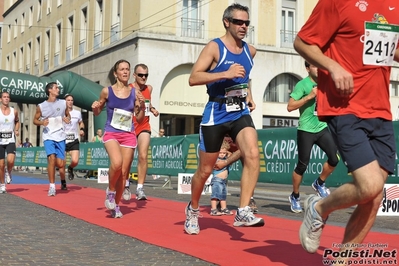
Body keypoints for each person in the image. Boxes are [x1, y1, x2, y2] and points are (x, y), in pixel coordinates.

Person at [293, 0, 399, 261]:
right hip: (345, 106)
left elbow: (392, 48)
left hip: (380, 109)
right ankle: (318, 207)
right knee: (370, 185)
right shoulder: (337, 1)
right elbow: (302, 42)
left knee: (373, 198)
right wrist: (333, 66)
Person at [184, 3, 264, 235]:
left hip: (239, 111)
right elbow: (193, 77)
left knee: (252, 153)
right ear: (226, 22)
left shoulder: (251, 51)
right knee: (205, 170)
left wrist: (248, 95)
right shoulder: (214, 47)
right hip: (216, 111)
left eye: (247, 22)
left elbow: (245, 77)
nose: (243, 26)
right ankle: (193, 208)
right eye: (239, 22)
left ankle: (243, 211)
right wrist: (224, 73)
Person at [91, 59, 145, 218]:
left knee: (123, 174)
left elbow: (140, 119)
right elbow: (97, 112)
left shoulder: (135, 92)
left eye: (127, 69)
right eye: (122, 69)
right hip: (111, 133)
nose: (125, 72)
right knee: (116, 163)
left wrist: (140, 106)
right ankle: (110, 191)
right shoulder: (107, 91)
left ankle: (116, 205)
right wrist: (96, 107)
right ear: (115, 73)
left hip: (128, 134)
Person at [286, 61, 339, 213]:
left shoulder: (326, 83)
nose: (318, 69)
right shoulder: (302, 85)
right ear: (308, 69)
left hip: (322, 128)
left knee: (334, 159)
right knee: (302, 165)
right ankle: (295, 196)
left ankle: (319, 182)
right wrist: (309, 96)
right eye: (315, 66)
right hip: (306, 130)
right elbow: (290, 107)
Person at [33, 82, 71, 196]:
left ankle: (56, 173)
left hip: (60, 136)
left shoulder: (63, 103)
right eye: (56, 87)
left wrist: (67, 119)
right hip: (48, 135)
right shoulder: (41, 106)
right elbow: (34, 120)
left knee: (60, 163)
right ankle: (52, 186)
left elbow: (68, 115)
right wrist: (41, 122)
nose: (58, 89)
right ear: (50, 90)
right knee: (51, 159)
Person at [129, 63, 159, 201]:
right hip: (129, 126)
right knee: (127, 159)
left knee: (142, 156)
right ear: (134, 75)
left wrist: (152, 109)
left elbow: (148, 103)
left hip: (144, 125)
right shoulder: (128, 89)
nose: (143, 77)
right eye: (140, 75)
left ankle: (140, 188)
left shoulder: (149, 88)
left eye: (146, 75)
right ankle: (125, 183)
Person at [0, 92, 20, 192]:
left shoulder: (14, 111)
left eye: (8, 97)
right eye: (4, 97)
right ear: (0, 99)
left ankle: (9, 171)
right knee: (1, 164)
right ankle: (2, 185)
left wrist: (16, 130)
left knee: (11, 161)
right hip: (0, 140)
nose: (6, 99)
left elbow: (17, 121)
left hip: (10, 139)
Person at [63, 94, 85, 180]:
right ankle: (63, 182)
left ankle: (70, 168)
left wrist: (82, 129)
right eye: (68, 100)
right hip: (62, 139)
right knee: (62, 163)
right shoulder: (60, 112)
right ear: (65, 101)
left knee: (75, 161)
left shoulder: (77, 113)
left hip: (74, 139)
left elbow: (81, 122)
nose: (70, 102)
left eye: (71, 100)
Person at [210, 140, 233, 216]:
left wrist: (227, 152)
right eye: (220, 153)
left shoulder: (226, 159)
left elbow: (231, 155)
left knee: (223, 196)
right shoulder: (216, 159)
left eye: (224, 153)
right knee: (215, 195)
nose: (222, 154)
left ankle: (224, 208)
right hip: (217, 180)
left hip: (223, 181)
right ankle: (213, 209)